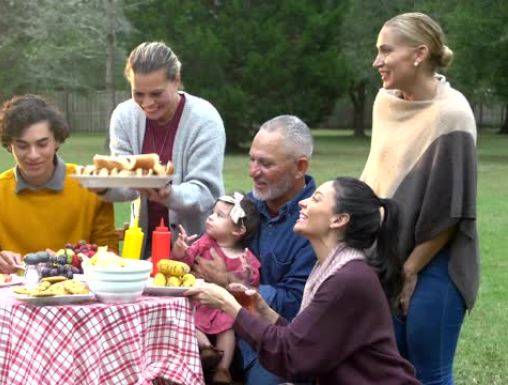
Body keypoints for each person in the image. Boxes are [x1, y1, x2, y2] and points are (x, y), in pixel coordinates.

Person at [186, 177, 422, 385]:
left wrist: (228, 304)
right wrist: (266, 313)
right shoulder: (333, 268)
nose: (302, 202)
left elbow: (293, 356)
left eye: (316, 199)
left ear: (339, 219)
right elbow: (307, 344)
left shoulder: (348, 279)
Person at [363, 12, 479, 385]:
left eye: (386, 51)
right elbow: (379, 178)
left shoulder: (452, 115)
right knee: (390, 370)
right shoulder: (385, 102)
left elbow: (453, 211)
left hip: (436, 263)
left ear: (418, 54)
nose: (377, 61)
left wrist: (410, 271)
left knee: (429, 372)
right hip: (386, 257)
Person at [194, 115, 317, 385]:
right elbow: (208, 246)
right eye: (252, 159)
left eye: (266, 163)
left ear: (300, 167)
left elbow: (297, 304)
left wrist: (230, 282)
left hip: (275, 342)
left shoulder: (316, 219)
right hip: (217, 327)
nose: (253, 171)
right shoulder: (246, 206)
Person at [99, 41, 225, 256]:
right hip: (145, 242)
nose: (147, 103)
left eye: (156, 94)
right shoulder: (124, 116)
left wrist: (169, 194)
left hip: (196, 246)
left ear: (176, 80)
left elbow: (206, 192)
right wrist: (103, 187)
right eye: (138, 94)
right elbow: (126, 183)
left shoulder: (205, 119)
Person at [0, 94, 118, 273]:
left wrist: (73, 262)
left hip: (79, 292)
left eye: (42, 144)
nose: (33, 155)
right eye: (22, 146)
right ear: (10, 145)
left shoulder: (92, 185)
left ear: (56, 140)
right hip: (15, 293)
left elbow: (109, 254)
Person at [171, 192, 261, 385]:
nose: (211, 217)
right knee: (187, 315)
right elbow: (185, 263)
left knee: (227, 325)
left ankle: (223, 370)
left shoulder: (245, 257)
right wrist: (180, 251)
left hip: (221, 305)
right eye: (213, 212)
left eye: (220, 215)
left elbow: (251, 286)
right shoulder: (204, 243)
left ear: (238, 231)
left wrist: (246, 275)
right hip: (200, 300)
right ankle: (205, 348)